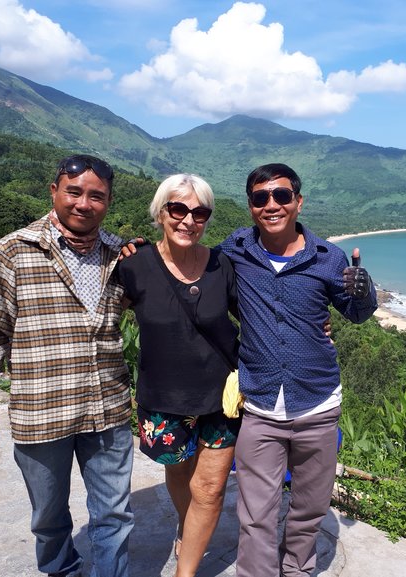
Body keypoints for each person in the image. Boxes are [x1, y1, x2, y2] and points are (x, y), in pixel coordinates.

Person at [0, 154, 134, 577]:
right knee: (48, 518)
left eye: (97, 196)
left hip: (107, 409)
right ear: (54, 191)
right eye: (74, 191)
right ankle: (62, 570)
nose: (83, 203)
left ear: (108, 203)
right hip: (43, 412)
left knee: (114, 515)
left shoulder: (120, 255)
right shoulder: (15, 250)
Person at [219, 163, 377, 577]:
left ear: (298, 201)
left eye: (282, 196)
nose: (271, 204)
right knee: (255, 514)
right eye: (260, 197)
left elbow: (356, 313)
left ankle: (299, 570)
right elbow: (189, 266)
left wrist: (366, 290)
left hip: (318, 402)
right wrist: (141, 254)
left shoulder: (329, 257)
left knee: (309, 507)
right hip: (262, 405)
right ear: (251, 205)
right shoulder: (235, 249)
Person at [116, 174, 241, 577]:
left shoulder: (222, 265)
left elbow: (257, 318)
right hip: (164, 398)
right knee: (179, 472)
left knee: (210, 490)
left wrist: (315, 326)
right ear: (160, 212)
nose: (189, 220)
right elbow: (96, 320)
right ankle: (189, 532)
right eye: (178, 209)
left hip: (220, 398)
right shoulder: (133, 266)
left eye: (199, 212)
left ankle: (184, 570)